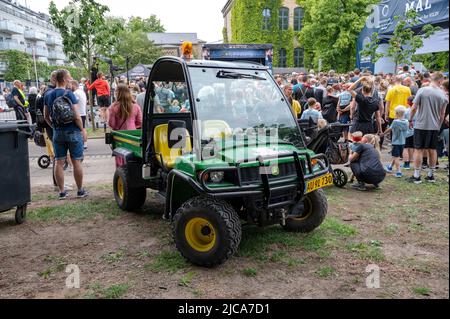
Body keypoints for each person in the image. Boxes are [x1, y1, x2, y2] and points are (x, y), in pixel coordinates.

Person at [44, 69, 87, 200]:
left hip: (58, 133)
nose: (70, 79)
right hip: (73, 131)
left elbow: (46, 117)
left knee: (59, 162)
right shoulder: (69, 94)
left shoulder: (48, 95)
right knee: (76, 162)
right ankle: (80, 191)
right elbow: (76, 115)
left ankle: (62, 192)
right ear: (63, 79)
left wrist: (55, 127)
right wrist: (83, 130)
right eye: (69, 77)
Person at [409, 72, 448, 184]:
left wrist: (410, 120)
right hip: (434, 126)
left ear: (431, 79)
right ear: (440, 81)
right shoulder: (443, 95)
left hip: (421, 125)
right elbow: (442, 114)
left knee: (418, 149)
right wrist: (438, 126)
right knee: (432, 150)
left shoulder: (422, 90)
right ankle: (431, 175)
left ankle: (417, 176)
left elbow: (414, 108)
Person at [383, 106, 409, 178]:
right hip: (403, 142)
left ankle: (398, 172)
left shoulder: (395, 122)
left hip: (395, 142)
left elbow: (390, 129)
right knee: (395, 156)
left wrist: (383, 134)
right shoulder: (406, 121)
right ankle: (390, 167)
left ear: (396, 113)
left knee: (396, 157)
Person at [70, 80, 88, 150]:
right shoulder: (82, 92)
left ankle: (83, 144)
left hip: (79, 113)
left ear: (73, 85)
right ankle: (85, 143)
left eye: (70, 85)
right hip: (83, 112)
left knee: (81, 129)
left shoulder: (75, 93)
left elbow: (75, 103)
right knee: (83, 128)